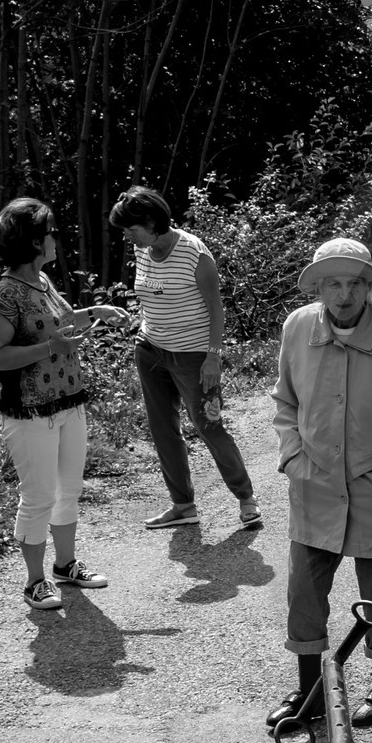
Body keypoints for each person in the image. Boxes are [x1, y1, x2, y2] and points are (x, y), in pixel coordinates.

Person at [269, 239, 372, 729]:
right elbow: (285, 403)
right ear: (318, 288)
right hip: (314, 482)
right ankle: (310, 691)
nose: (343, 296)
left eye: (353, 283)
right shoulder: (297, 327)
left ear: (369, 287)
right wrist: (295, 458)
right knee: (304, 591)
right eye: (332, 284)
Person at [0, 199, 126, 610]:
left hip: (68, 402)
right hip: (29, 412)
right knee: (39, 496)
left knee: (69, 490)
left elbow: (57, 323)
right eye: (50, 232)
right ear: (32, 241)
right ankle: (35, 582)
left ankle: (65, 566)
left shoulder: (41, 282)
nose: (55, 239)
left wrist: (94, 311)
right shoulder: (7, 291)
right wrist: (50, 347)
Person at [109, 186, 261, 531]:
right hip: (150, 351)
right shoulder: (143, 250)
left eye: (131, 229)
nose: (126, 236)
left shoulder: (195, 254)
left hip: (193, 355)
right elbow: (153, 297)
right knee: (163, 429)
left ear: (152, 222)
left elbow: (216, 309)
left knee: (208, 424)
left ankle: (246, 498)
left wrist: (213, 357)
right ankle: (183, 505)